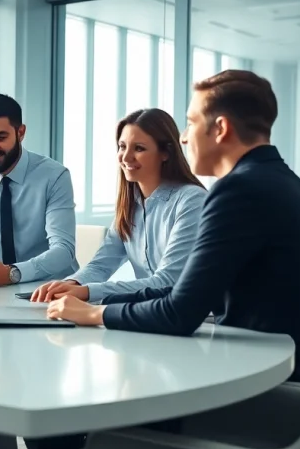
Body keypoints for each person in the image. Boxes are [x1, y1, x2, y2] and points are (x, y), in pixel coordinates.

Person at [37, 70, 300, 449]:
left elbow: (179, 309)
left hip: (259, 398)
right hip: (270, 374)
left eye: (191, 122)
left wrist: (93, 313)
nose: (184, 135)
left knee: (68, 413)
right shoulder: (279, 183)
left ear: (220, 128)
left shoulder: (239, 191)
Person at [29, 108, 206, 303]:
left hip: (197, 322)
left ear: (165, 153)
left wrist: (88, 292)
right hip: (150, 313)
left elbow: (168, 281)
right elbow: (101, 265)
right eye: (122, 146)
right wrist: (71, 284)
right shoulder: (131, 204)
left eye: (139, 148)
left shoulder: (191, 201)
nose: (126, 157)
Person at [0, 94, 77, 287]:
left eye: (0, 137)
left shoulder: (55, 176)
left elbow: (63, 252)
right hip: (0, 290)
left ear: (21, 132)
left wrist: (14, 273)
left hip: (54, 289)